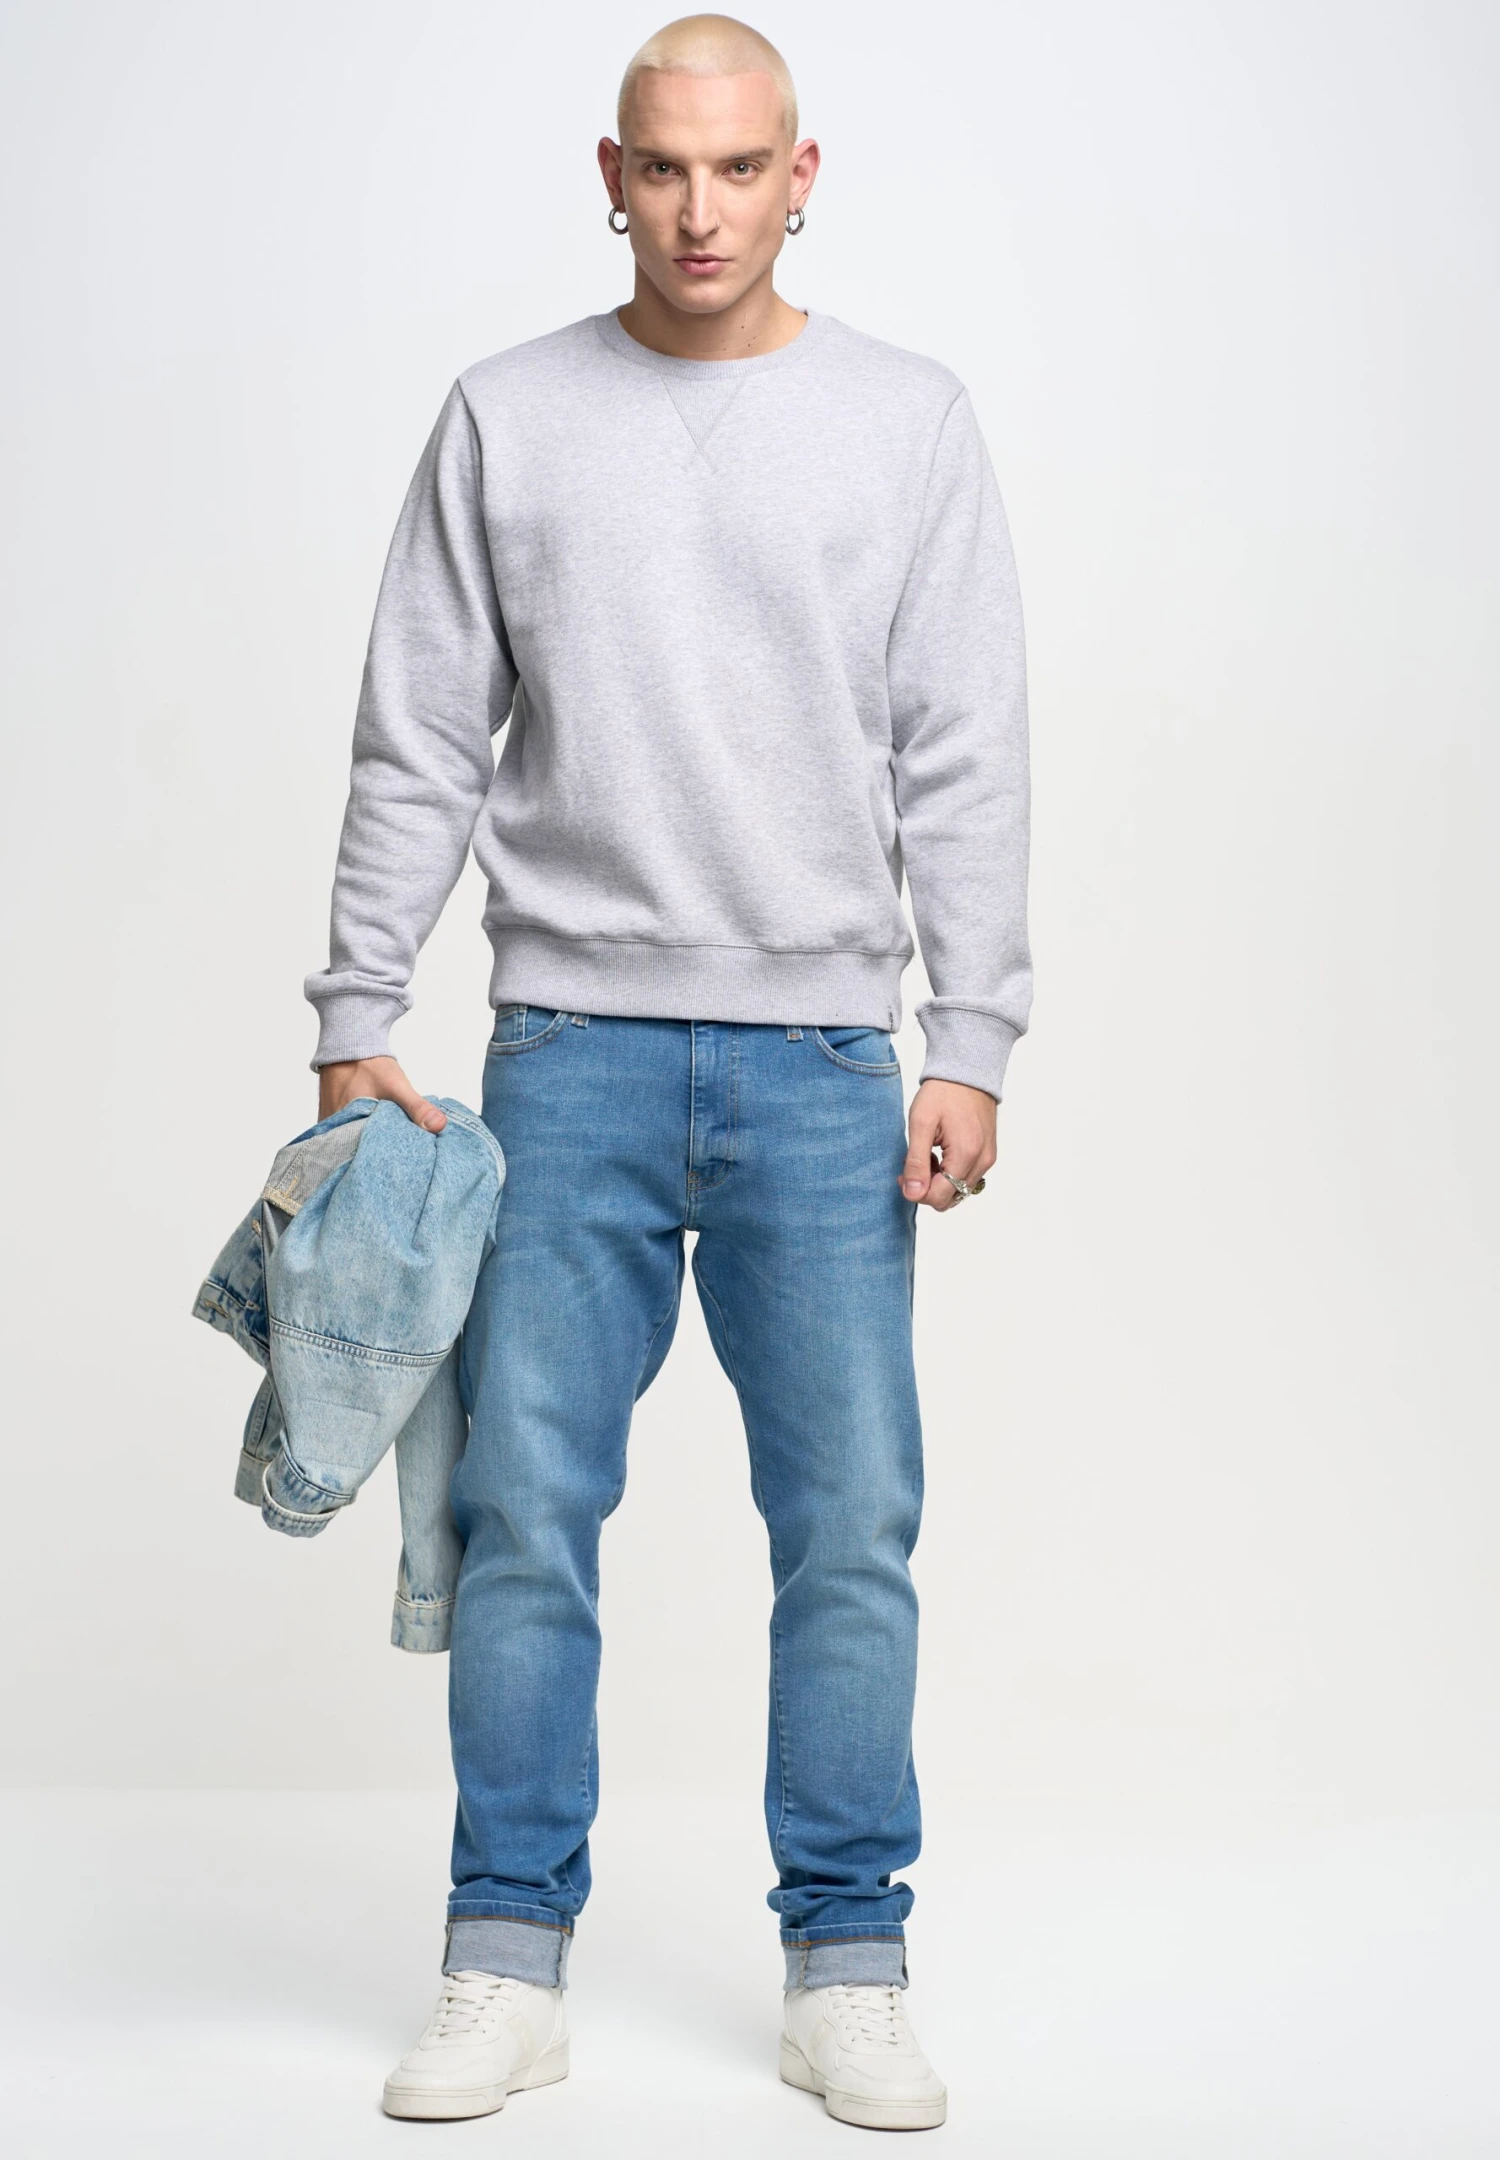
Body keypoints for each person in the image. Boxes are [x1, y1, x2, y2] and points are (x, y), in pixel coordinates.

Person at [305, 12, 1030, 2132]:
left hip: (826, 1062)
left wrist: (970, 1034)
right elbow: (419, 732)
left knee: (851, 1523)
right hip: (568, 1055)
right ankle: (504, 1961)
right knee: (528, 1516)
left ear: (804, 175)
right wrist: (357, 1011)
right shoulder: (508, 417)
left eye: (739, 167)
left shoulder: (907, 423)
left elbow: (965, 749)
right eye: (662, 167)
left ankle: (848, 1967)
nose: (700, 210)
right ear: (609, 176)